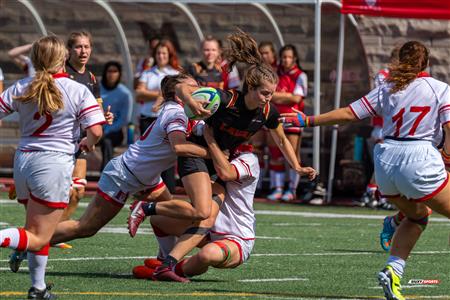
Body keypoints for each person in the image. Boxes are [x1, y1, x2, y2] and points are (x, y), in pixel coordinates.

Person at [129, 30, 317, 282]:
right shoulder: (227, 100)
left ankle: (164, 259)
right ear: (250, 88)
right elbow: (182, 85)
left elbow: (281, 139)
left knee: (197, 218)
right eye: (264, 93)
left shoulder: (267, 111)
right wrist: (190, 101)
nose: (268, 98)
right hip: (197, 154)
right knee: (202, 212)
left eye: (271, 93)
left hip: (215, 159)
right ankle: (152, 223)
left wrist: (297, 166)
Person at [279, 41, 450, 300]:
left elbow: (349, 113)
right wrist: (447, 156)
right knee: (423, 212)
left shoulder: (387, 88)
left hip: (385, 164)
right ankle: (394, 222)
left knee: (417, 217)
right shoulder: (440, 89)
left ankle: (393, 269)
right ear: (426, 64)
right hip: (419, 159)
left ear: (400, 61)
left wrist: (308, 120)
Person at [48, 74, 210, 251]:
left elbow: (201, 129)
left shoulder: (185, 111)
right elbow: (179, 147)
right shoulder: (176, 113)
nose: (199, 90)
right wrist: (214, 155)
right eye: (193, 87)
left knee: (169, 214)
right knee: (86, 227)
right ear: (179, 94)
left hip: (147, 177)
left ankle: (164, 261)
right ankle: (34, 240)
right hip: (124, 175)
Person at [0, 35, 105, 299]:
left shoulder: (22, 85)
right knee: (37, 236)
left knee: (37, 230)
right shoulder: (77, 89)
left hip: (23, 162)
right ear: (63, 58)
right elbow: (96, 130)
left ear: (34, 58)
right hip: (53, 164)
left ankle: (38, 288)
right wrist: (88, 143)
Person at [132, 125, 259, 282]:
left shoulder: (249, 159)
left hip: (237, 238)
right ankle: (164, 261)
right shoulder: (219, 153)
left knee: (207, 254)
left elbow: (226, 173)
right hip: (208, 230)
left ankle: (163, 270)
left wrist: (209, 139)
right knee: (159, 220)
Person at [63, 31, 106, 221]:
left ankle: (54, 233)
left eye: (86, 46)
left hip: (81, 141)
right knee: (55, 190)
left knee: (78, 190)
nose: (83, 51)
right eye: (78, 46)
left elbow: (97, 107)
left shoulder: (91, 77)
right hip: (62, 139)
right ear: (69, 50)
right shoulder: (62, 73)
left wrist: (103, 117)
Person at [135, 39, 181, 193]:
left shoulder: (175, 73)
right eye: (159, 53)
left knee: (166, 156)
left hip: (166, 119)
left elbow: (176, 95)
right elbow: (138, 93)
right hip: (148, 118)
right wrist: (161, 93)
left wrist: (153, 95)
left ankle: (168, 189)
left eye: (164, 53)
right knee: (148, 156)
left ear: (169, 55)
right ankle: (147, 189)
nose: (161, 56)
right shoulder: (148, 73)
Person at [267, 45, 307, 202]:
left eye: (289, 57)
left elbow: (296, 98)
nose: (286, 60)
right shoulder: (275, 73)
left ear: (295, 58)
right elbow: (270, 94)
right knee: (275, 153)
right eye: (283, 57)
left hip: (292, 118)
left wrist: (276, 96)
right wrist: (284, 96)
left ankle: (292, 189)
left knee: (292, 155)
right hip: (276, 117)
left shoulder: (300, 75)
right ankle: (277, 188)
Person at [248, 41, 278, 195]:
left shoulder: (279, 72)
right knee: (257, 148)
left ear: (273, 54)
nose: (264, 56)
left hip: (272, 114)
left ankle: (277, 187)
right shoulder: (255, 72)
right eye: (262, 53)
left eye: (267, 52)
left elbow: (294, 97)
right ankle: (257, 185)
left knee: (276, 150)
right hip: (256, 113)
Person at [99, 61, 132, 171]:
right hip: (95, 128)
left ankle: (106, 172)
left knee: (107, 141)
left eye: (115, 71)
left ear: (119, 74)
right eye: (109, 71)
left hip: (115, 132)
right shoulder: (96, 89)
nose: (112, 74)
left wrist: (107, 130)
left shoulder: (125, 93)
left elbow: (124, 119)